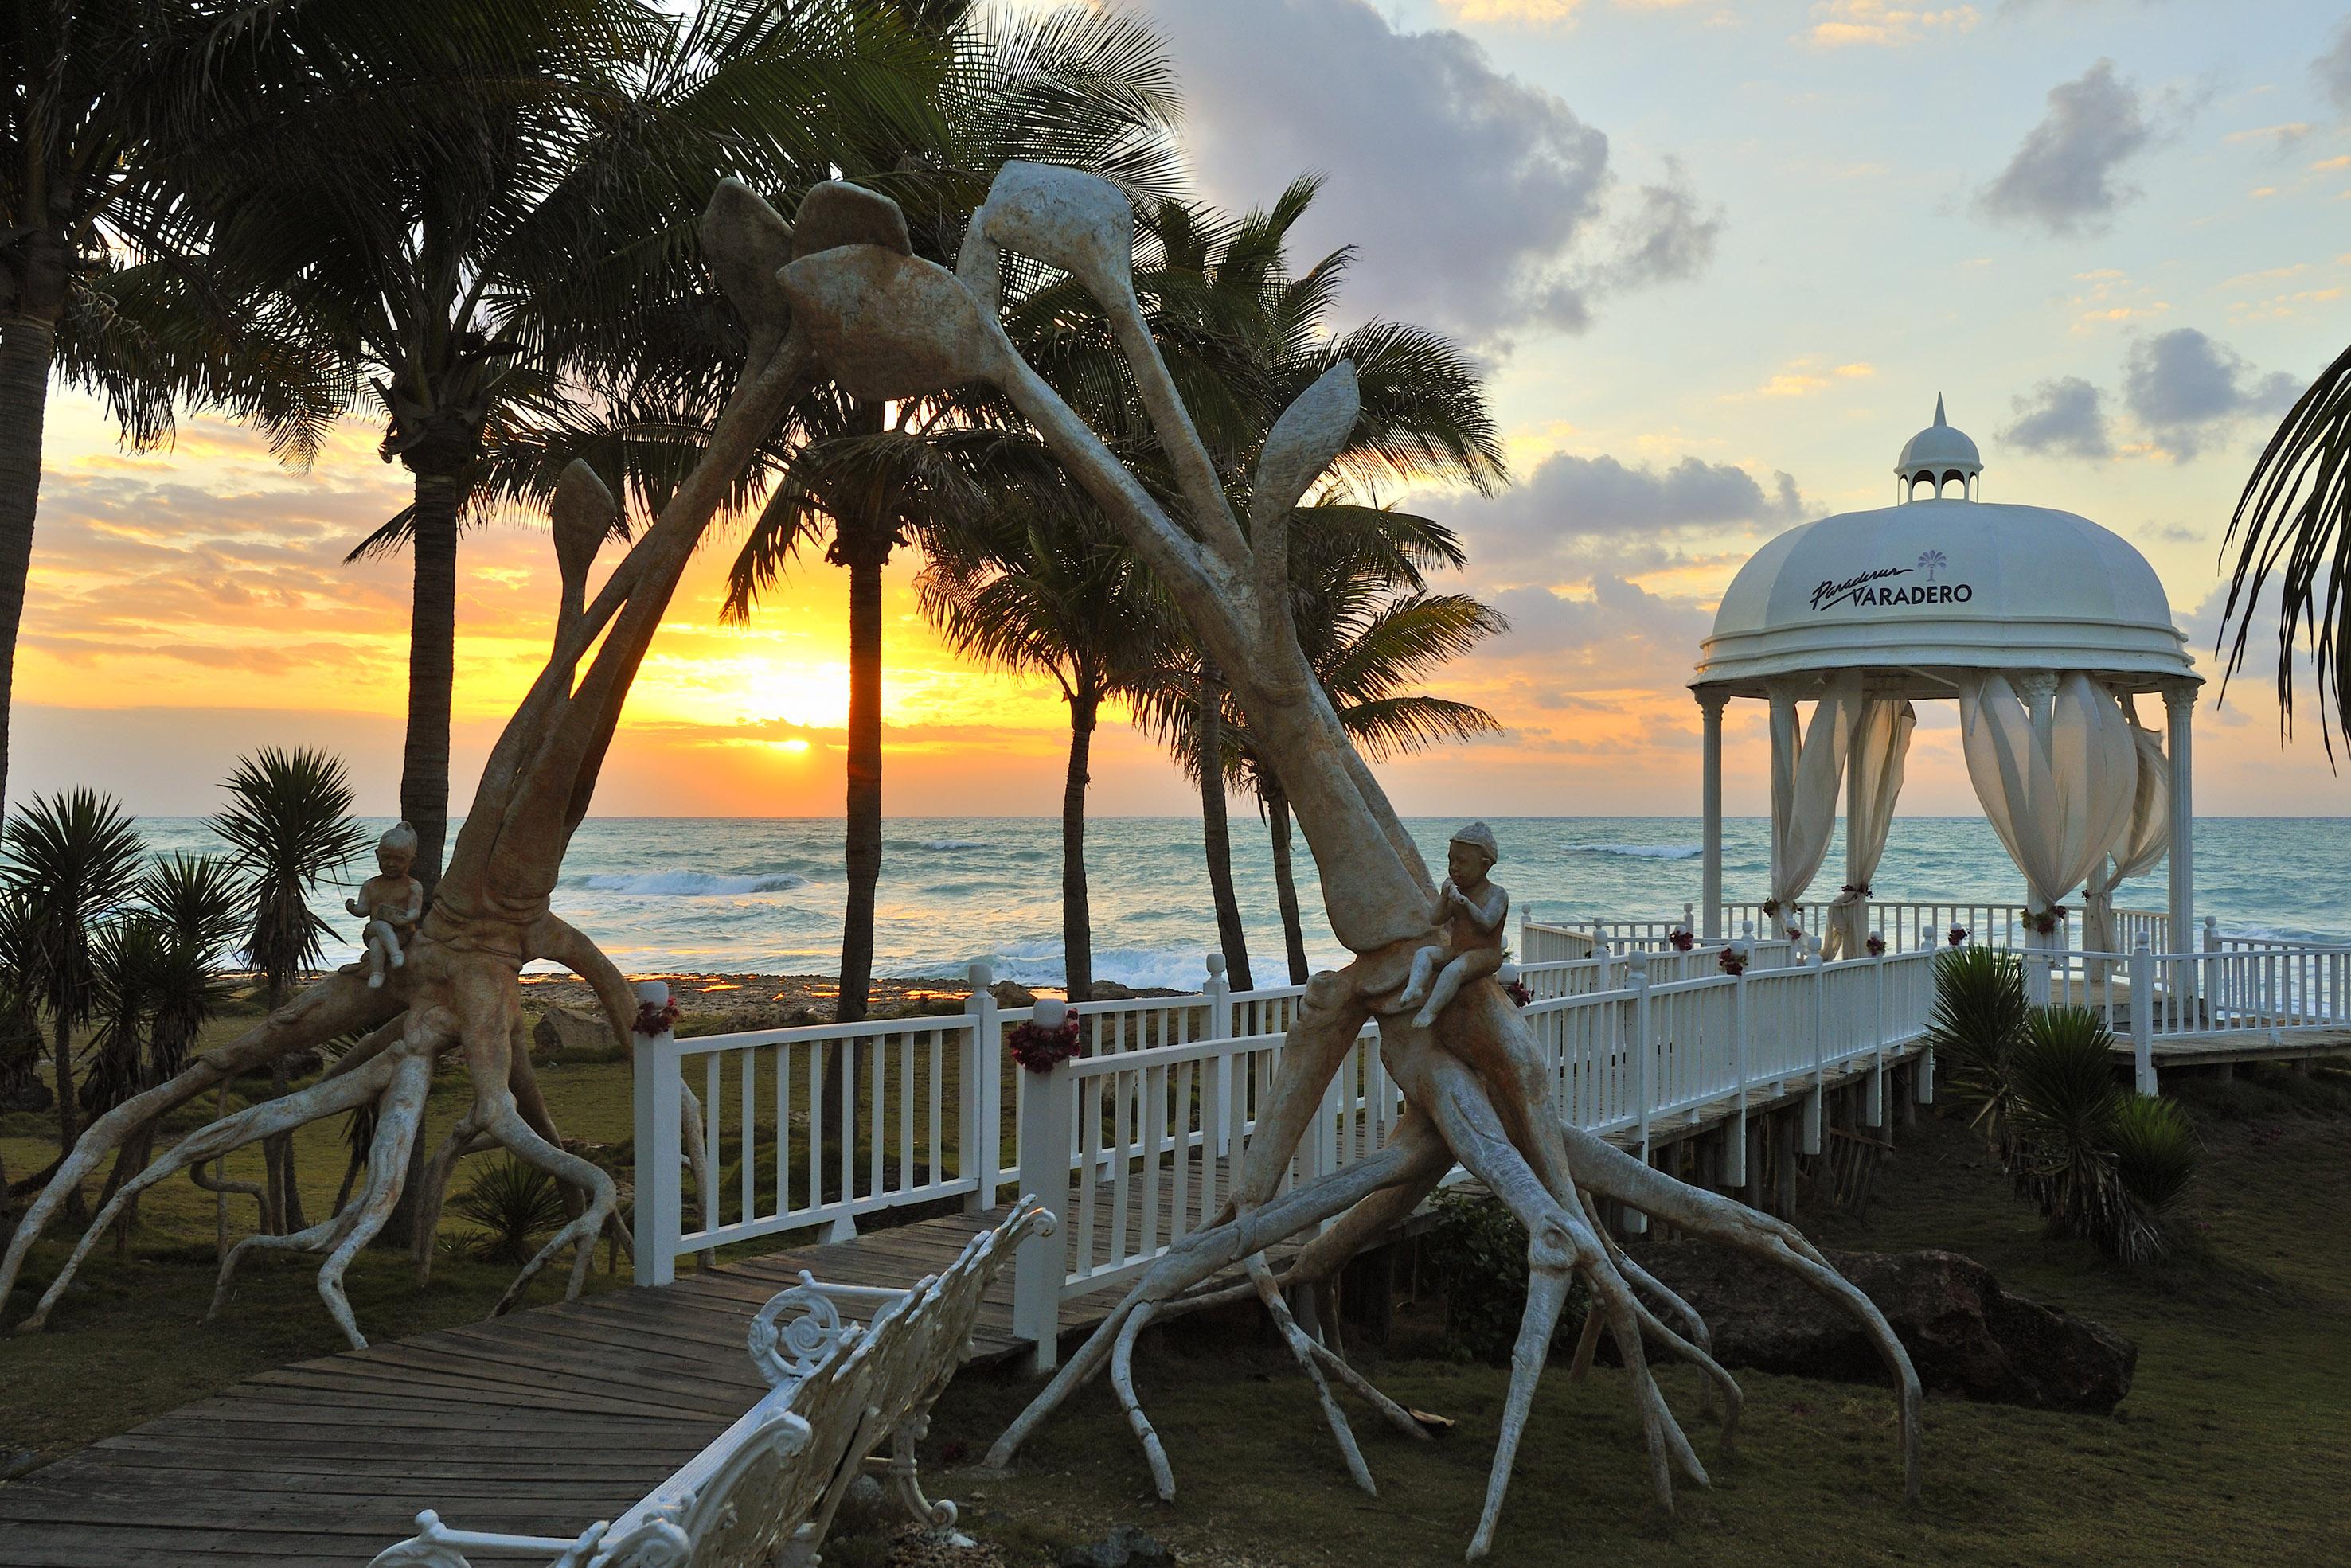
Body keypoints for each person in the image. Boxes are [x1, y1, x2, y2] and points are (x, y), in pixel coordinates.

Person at [1396, 822, 1509, 1029]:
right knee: (1424, 954)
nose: (1454, 867)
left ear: (1484, 866)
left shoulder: (1497, 894)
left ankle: (1430, 1011)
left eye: (1462, 862)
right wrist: (1444, 896)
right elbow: (1435, 919)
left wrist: (1465, 904)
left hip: (1484, 953)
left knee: (1453, 970)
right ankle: (1415, 988)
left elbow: (1486, 923)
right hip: (1458, 949)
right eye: (1451, 860)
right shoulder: (1458, 892)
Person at [346, 821, 424, 989]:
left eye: (399, 860)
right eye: (386, 858)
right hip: (374, 929)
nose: (391, 864)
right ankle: (391, 959)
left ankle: (378, 971)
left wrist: (404, 919)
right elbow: (364, 909)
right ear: (377, 855)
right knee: (379, 927)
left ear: (412, 861)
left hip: (402, 933)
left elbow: (415, 912)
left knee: (376, 943)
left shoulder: (412, 886)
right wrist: (353, 908)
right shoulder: (371, 885)